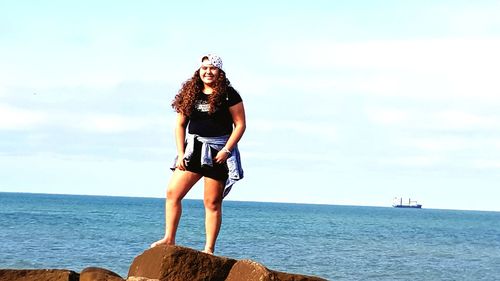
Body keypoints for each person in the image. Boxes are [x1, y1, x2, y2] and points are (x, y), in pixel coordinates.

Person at [151, 54, 245, 254]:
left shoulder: (229, 94)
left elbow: (240, 125)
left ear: (219, 72)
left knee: (212, 202)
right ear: (199, 71)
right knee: (172, 193)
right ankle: (169, 238)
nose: (208, 72)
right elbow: (180, 124)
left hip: (218, 151)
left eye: (212, 68)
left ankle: (209, 249)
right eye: (204, 68)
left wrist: (227, 150)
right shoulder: (190, 93)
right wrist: (181, 152)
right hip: (193, 150)